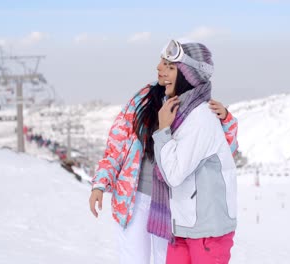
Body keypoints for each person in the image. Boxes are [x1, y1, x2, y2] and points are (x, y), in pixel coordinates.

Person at [89, 43, 238, 264]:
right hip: (135, 198)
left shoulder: (195, 107)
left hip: (171, 203)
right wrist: (100, 183)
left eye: (168, 65)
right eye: (161, 62)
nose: (159, 68)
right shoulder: (143, 99)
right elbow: (117, 143)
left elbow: (223, 150)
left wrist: (226, 119)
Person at [153, 40, 237, 264]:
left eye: (171, 67)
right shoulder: (180, 113)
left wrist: (162, 132)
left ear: (187, 76)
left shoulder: (200, 117)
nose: (161, 71)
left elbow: (174, 174)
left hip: (208, 233)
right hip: (183, 228)